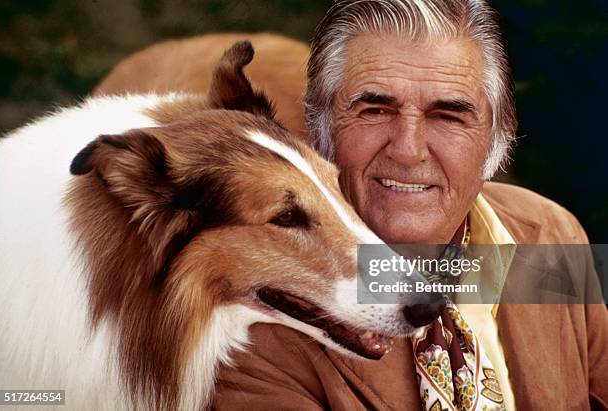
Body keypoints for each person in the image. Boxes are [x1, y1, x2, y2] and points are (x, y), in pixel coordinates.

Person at [212, 1, 608, 410]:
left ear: (498, 134)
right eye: (375, 110)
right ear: (321, 126)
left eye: (448, 116)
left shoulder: (552, 231)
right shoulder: (252, 325)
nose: (408, 150)